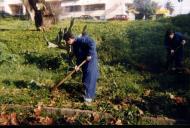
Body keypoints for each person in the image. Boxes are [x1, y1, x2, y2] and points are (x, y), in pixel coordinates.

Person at [63, 32, 99, 103]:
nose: (67, 43)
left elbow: (92, 42)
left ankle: (89, 98)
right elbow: (79, 56)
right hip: (85, 61)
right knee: (85, 77)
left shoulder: (81, 40)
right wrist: (77, 65)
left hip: (91, 60)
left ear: (70, 39)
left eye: (67, 41)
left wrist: (89, 54)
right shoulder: (74, 44)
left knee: (90, 76)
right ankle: (86, 94)